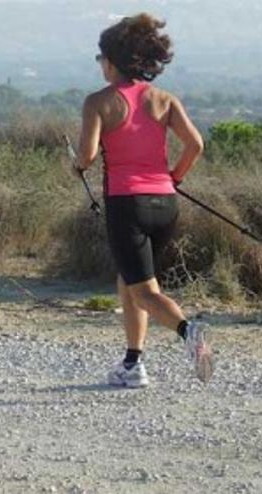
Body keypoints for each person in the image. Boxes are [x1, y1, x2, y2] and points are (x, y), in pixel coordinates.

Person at [74, 13, 213, 387]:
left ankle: (189, 332)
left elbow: (86, 157)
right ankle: (133, 363)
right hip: (165, 204)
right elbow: (195, 145)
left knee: (146, 291)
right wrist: (175, 176)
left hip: (127, 204)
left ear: (112, 61)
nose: (100, 65)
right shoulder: (165, 100)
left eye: (101, 58)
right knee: (133, 279)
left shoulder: (98, 102)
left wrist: (76, 163)